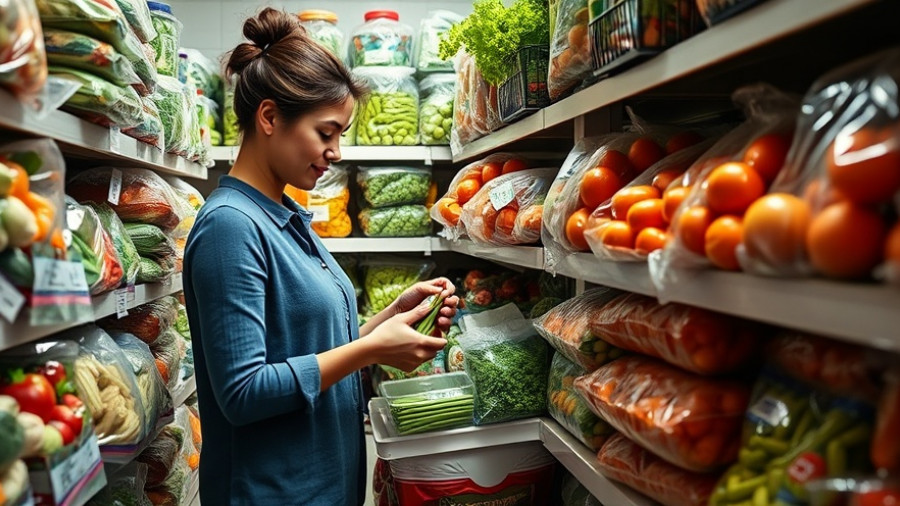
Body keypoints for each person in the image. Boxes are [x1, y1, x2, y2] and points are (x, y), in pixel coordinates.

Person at [182, 8, 459, 505]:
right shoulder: (230, 227)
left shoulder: (286, 216)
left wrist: (388, 321)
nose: (335, 151)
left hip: (319, 485)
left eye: (341, 136)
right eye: (326, 132)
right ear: (269, 117)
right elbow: (243, 392)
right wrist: (371, 351)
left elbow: (306, 347)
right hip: (271, 492)